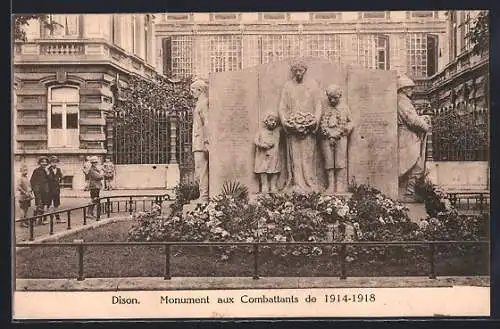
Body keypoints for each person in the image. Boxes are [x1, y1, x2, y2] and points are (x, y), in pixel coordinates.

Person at [278, 59, 322, 193]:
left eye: (300, 70)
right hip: (293, 128)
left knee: (308, 156)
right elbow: (282, 106)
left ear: (305, 71)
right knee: (294, 158)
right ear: (292, 72)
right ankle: (296, 183)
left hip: (307, 128)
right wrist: (285, 121)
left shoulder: (312, 85)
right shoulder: (288, 86)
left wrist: (314, 120)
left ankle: (310, 182)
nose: (298, 73)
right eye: (295, 71)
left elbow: (318, 105)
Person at [397, 74, 431, 196]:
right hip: (407, 136)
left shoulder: (403, 101)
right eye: (410, 88)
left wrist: (422, 118)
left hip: (409, 135)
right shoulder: (402, 101)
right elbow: (411, 119)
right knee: (414, 163)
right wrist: (424, 125)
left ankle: (409, 188)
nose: (412, 91)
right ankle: (408, 189)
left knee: (415, 162)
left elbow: (412, 118)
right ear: (403, 89)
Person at [319, 84, 354, 193]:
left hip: (341, 137)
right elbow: (321, 122)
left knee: (340, 161)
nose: (332, 100)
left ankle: (339, 184)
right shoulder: (325, 107)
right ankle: (331, 184)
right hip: (326, 137)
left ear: (340, 96)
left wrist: (346, 129)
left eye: (335, 98)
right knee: (329, 161)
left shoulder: (344, 108)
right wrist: (326, 132)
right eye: (330, 98)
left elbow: (351, 122)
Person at [190, 79, 210, 203]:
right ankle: (203, 195)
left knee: (201, 169)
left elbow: (206, 122)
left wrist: (207, 141)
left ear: (199, 90)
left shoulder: (203, 104)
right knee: (199, 169)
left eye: (193, 91)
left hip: (201, 142)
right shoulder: (200, 104)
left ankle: (204, 197)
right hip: (198, 141)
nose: (191, 93)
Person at [253, 112, 281, 193]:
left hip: (274, 155)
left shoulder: (277, 131)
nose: (273, 122)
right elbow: (255, 141)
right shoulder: (261, 131)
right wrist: (262, 145)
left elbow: (284, 125)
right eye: (271, 120)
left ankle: (273, 185)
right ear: (266, 121)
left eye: (275, 121)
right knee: (263, 170)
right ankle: (264, 185)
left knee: (274, 170)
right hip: (263, 155)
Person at [30, 156, 50, 224]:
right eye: (42, 162)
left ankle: (38, 219)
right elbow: (32, 180)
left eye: (45, 162)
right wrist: (33, 189)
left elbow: (50, 181)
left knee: (44, 204)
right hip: (38, 190)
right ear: (40, 163)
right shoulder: (36, 170)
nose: (44, 163)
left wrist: (47, 173)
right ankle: (35, 219)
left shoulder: (48, 170)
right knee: (39, 204)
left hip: (45, 190)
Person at [47, 155, 65, 223]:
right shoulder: (48, 169)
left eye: (56, 162)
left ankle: (58, 219)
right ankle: (44, 219)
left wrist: (62, 176)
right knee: (47, 204)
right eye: (53, 162)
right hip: (49, 190)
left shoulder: (58, 169)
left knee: (56, 204)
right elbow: (49, 179)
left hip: (57, 190)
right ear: (50, 163)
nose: (54, 163)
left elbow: (61, 177)